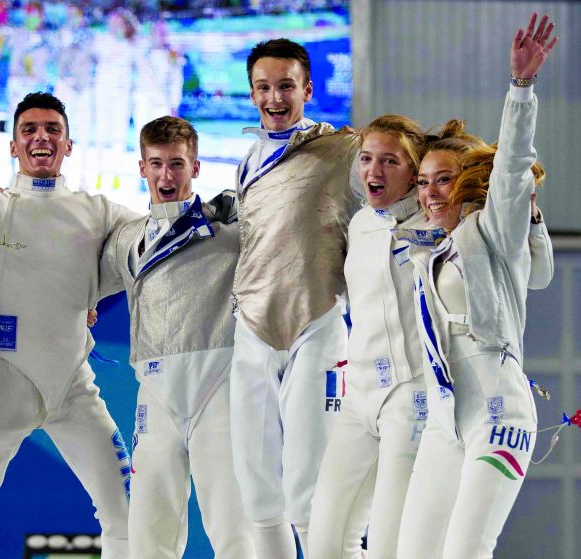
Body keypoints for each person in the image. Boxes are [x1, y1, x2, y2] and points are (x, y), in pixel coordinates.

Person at [308, 114, 553, 558]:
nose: (374, 171)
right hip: (363, 396)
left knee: (395, 547)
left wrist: (528, 214)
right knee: (323, 542)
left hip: (420, 398)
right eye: (366, 158)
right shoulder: (361, 224)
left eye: (390, 160)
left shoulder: (454, 225)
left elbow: (533, 270)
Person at [0, 91, 139, 559]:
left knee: (126, 512)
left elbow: (155, 240)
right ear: (12, 145)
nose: (41, 137)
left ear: (68, 145)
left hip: (73, 387)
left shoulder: (99, 210)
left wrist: (95, 291)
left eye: (52, 130)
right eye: (29, 130)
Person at [397, 14, 558, 558]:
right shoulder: (428, 250)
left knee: (464, 552)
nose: (431, 191)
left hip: (499, 413)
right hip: (447, 420)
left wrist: (521, 88)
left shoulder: (493, 233)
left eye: (444, 178)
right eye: (423, 181)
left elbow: (512, 167)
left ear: (467, 181)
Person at [228, 38, 361, 558]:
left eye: (286, 86)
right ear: (252, 93)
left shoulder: (344, 149)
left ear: (308, 88)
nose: (275, 97)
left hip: (319, 324)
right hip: (253, 330)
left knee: (309, 489)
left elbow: (406, 167)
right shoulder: (247, 160)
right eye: (264, 87)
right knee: (258, 493)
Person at [99, 116, 254, 558]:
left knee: (233, 525)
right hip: (156, 393)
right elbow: (81, 283)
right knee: (149, 532)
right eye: (157, 164)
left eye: (177, 164)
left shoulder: (228, 227)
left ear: (196, 168)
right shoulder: (124, 240)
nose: (167, 176)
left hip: (218, 387)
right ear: (142, 168)